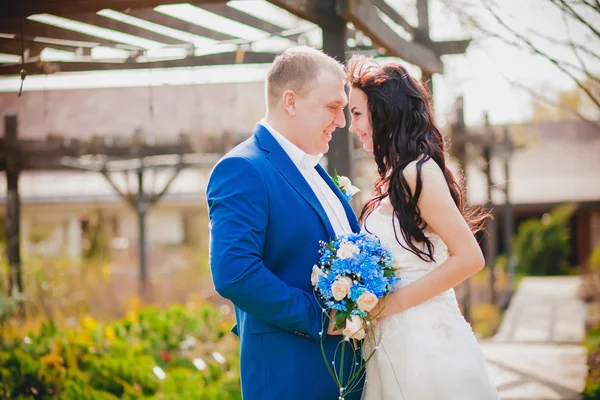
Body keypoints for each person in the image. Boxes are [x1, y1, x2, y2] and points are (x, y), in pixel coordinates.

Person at [207, 46, 363, 400]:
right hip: (291, 377)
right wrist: (321, 317)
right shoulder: (243, 169)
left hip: (344, 376)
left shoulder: (313, 170)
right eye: (332, 107)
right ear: (290, 102)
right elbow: (235, 272)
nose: (342, 122)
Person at [346, 55, 499, 400]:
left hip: (426, 344)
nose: (352, 126)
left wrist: (387, 306)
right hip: (390, 345)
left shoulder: (418, 172)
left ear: (384, 109)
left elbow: (469, 258)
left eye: (356, 113)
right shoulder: (391, 178)